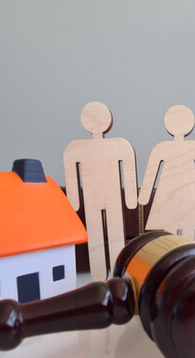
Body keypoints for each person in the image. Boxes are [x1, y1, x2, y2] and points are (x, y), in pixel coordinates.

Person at [63, 102, 138, 280]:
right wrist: (74, 202)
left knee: (114, 235)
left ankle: (116, 274)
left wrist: (130, 198)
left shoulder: (117, 145)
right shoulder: (76, 148)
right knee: (97, 236)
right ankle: (102, 274)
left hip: (110, 198)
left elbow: (129, 170)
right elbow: (71, 175)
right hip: (93, 199)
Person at [139, 105, 195, 239]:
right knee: (173, 229)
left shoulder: (188, 147)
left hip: (187, 194)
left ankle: (183, 252)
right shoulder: (168, 147)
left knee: (184, 229)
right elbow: (151, 172)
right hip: (171, 195)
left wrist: (144, 197)